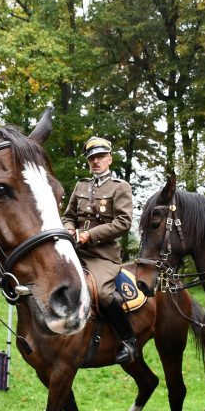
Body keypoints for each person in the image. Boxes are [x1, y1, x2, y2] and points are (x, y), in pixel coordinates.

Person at [62, 136, 136, 363]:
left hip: (103, 255)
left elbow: (124, 222)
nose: (96, 161)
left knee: (103, 294)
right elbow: (68, 217)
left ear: (109, 159)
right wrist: (69, 230)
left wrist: (90, 235)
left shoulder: (120, 187)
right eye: (92, 158)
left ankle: (129, 339)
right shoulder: (81, 186)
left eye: (100, 157)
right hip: (75, 250)